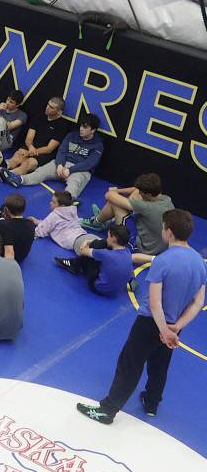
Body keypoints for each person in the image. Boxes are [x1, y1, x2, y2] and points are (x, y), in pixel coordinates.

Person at [77, 209, 205, 423]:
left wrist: (163, 329)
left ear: (169, 232)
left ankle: (107, 410)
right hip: (174, 327)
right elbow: (198, 302)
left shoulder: (163, 261)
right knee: (160, 364)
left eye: (163, 228)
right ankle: (152, 402)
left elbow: (155, 303)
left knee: (130, 363)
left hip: (150, 324)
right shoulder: (199, 263)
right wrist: (174, 328)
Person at [0, 114, 103, 198]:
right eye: (81, 126)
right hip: (62, 164)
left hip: (80, 170)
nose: (81, 129)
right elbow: (62, 151)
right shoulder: (72, 135)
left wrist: (70, 170)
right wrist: (60, 165)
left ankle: (66, 200)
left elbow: (89, 163)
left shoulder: (98, 145)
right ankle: (19, 179)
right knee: (41, 172)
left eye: (85, 127)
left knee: (74, 184)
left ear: (93, 130)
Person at [81, 173, 174, 255]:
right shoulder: (166, 199)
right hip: (158, 243)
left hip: (141, 248)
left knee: (114, 204)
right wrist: (118, 191)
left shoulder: (147, 207)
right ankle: (103, 218)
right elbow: (137, 190)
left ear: (149, 194)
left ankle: (96, 222)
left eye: (142, 193)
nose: (140, 194)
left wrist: (114, 191)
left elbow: (109, 196)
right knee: (127, 199)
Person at [0, 97, 71, 184]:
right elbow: (29, 138)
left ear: (59, 112)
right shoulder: (40, 117)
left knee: (27, 163)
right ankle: (2, 166)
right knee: (18, 156)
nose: (47, 108)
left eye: (51, 107)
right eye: (48, 104)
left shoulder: (62, 126)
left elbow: (49, 148)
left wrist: (30, 153)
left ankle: (8, 175)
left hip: (44, 154)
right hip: (30, 147)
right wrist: (30, 147)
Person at [55, 223, 133, 297]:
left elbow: (83, 251)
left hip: (98, 288)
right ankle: (132, 280)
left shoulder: (106, 254)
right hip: (116, 291)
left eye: (109, 236)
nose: (107, 238)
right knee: (104, 247)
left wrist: (86, 242)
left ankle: (74, 264)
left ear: (114, 239)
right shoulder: (128, 252)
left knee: (96, 246)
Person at [31, 190, 100, 253]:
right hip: (86, 235)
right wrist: (36, 221)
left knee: (98, 256)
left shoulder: (54, 215)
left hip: (76, 242)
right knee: (106, 247)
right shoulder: (72, 210)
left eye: (54, 202)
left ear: (62, 206)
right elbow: (51, 224)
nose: (50, 203)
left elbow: (40, 231)